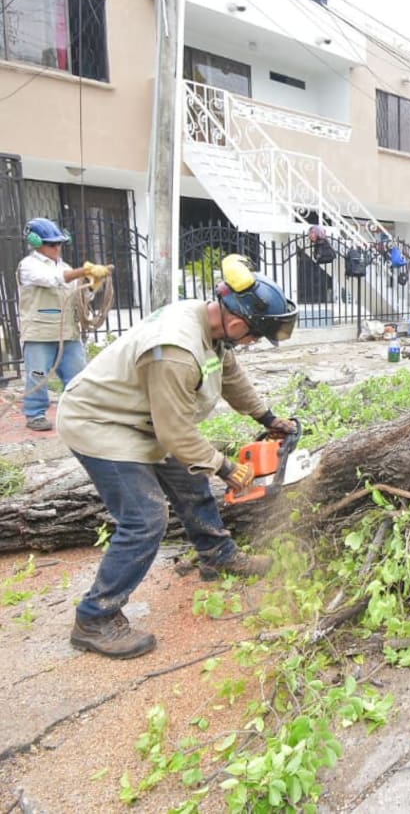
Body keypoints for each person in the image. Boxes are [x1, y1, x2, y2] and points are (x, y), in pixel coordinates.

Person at [57, 255, 300, 660]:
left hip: (144, 420)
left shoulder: (213, 325)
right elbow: (174, 432)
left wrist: (268, 417)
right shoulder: (176, 349)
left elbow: (230, 376)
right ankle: (95, 618)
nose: (252, 343)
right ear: (239, 324)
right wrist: (225, 467)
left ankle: (218, 556)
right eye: (255, 336)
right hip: (101, 423)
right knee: (144, 518)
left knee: (191, 483)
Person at [17, 218, 112, 432]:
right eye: (52, 244)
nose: (57, 247)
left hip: (68, 331)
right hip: (39, 332)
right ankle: (35, 415)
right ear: (35, 242)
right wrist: (84, 271)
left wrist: (92, 285)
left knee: (78, 376)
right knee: (38, 376)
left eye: (59, 243)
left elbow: (78, 293)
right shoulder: (29, 266)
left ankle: (82, 413)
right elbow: (53, 279)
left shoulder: (65, 266)